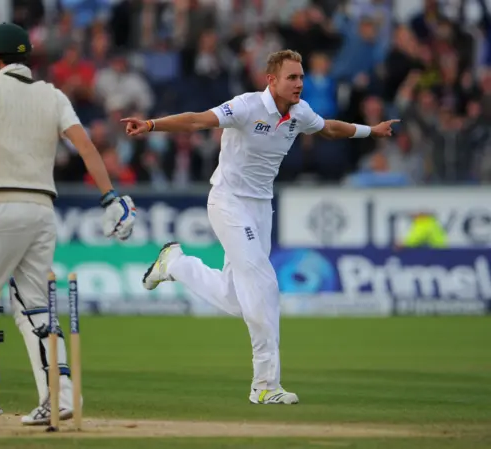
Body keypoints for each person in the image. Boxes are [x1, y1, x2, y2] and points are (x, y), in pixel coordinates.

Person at [121, 50, 398, 405]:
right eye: (292, 78)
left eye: (301, 77)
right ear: (272, 80)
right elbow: (196, 121)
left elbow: (328, 128)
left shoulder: (300, 113)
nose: (299, 83)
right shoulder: (247, 106)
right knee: (264, 285)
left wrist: (370, 131)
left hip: (260, 209)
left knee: (237, 298)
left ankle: (174, 264)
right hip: (228, 201)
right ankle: (265, 384)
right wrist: (152, 125)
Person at [0, 23, 137, 424]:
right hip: (41, 212)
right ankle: (63, 397)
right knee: (36, 308)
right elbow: (86, 146)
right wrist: (110, 198)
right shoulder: (53, 95)